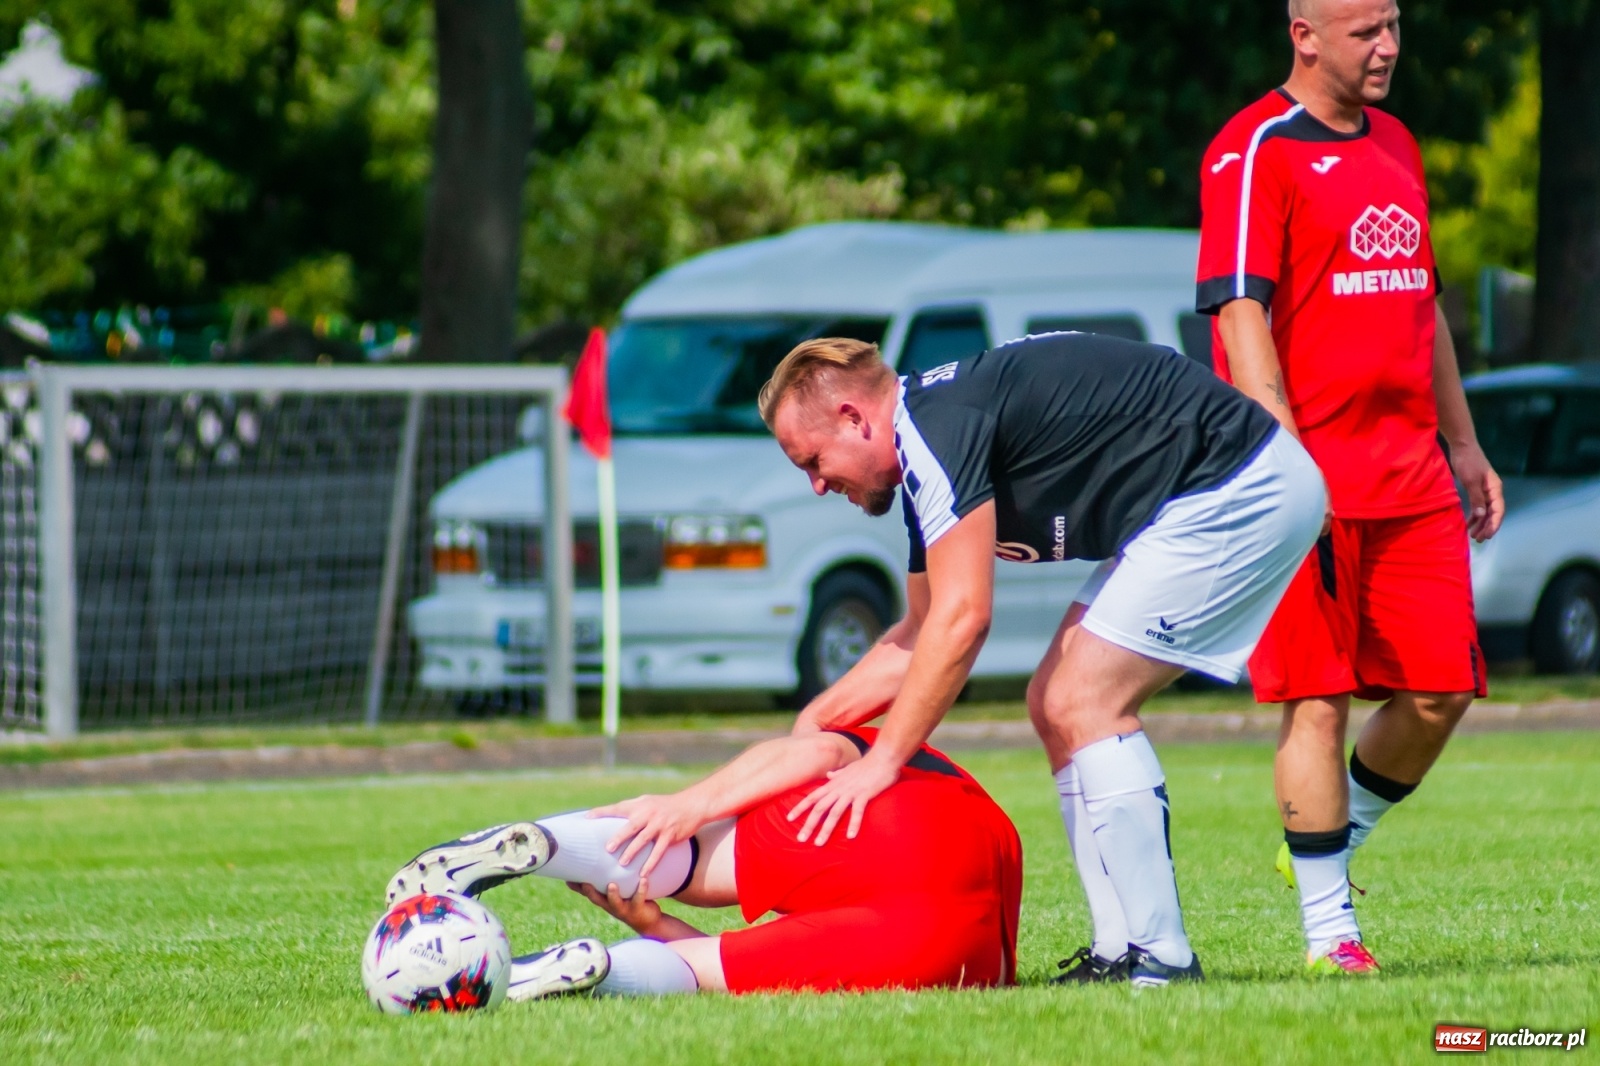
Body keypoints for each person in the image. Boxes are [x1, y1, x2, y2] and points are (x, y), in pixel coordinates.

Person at [757, 331, 1326, 985]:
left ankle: (1162, 958)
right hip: (1207, 490)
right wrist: (813, 727)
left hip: (1237, 482)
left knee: (1082, 701)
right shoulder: (925, 449)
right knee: (1053, 704)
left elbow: (965, 619)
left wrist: (882, 760)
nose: (816, 485)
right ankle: (1119, 953)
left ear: (853, 418)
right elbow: (920, 633)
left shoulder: (939, 428)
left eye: (811, 459)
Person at [1195, 0, 1505, 975]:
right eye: (1366, 31)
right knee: (1317, 701)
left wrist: (1463, 444)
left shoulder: (1399, 144)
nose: (1388, 48)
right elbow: (1240, 312)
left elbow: (1423, 303)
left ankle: (1325, 845)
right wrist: (1285, 462)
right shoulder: (1253, 150)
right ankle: (1332, 935)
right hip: (1308, 480)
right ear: (1305, 34)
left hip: (1410, 470)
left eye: (1395, 25)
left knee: (1443, 691)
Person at [385, 727, 1021, 998]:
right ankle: (599, 972)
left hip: (892, 818)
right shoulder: (964, 794)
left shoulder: (892, 739)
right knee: (704, 971)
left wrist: (688, 805)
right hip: (954, 944)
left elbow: (821, 749)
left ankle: (552, 843)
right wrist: (655, 931)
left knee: (694, 858)